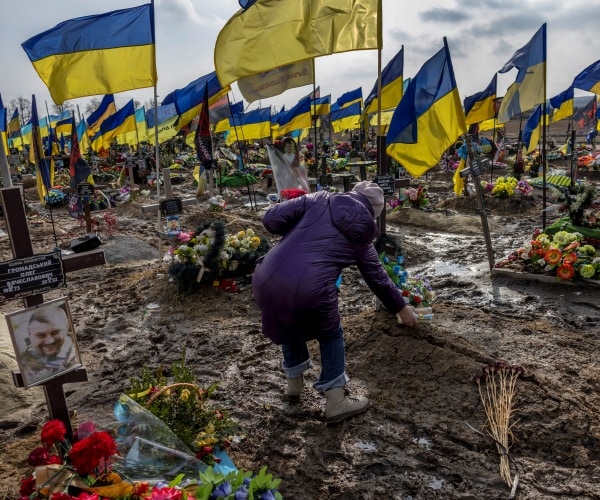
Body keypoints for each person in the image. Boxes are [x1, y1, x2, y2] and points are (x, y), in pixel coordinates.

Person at [252, 181, 418, 423]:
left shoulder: (318, 199)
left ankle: (293, 384)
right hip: (311, 289)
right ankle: (335, 400)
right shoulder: (361, 233)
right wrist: (402, 309)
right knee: (330, 333)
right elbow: (378, 278)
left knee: (286, 317)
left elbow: (271, 220)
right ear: (374, 211)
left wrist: (301, 225)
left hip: (266, 277)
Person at [19, 305, 79, 386]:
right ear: (30, 334)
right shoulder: (24, 360)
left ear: (67, 326)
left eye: (55, 333)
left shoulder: (76, 355)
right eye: (41, 335)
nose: (49, 341)